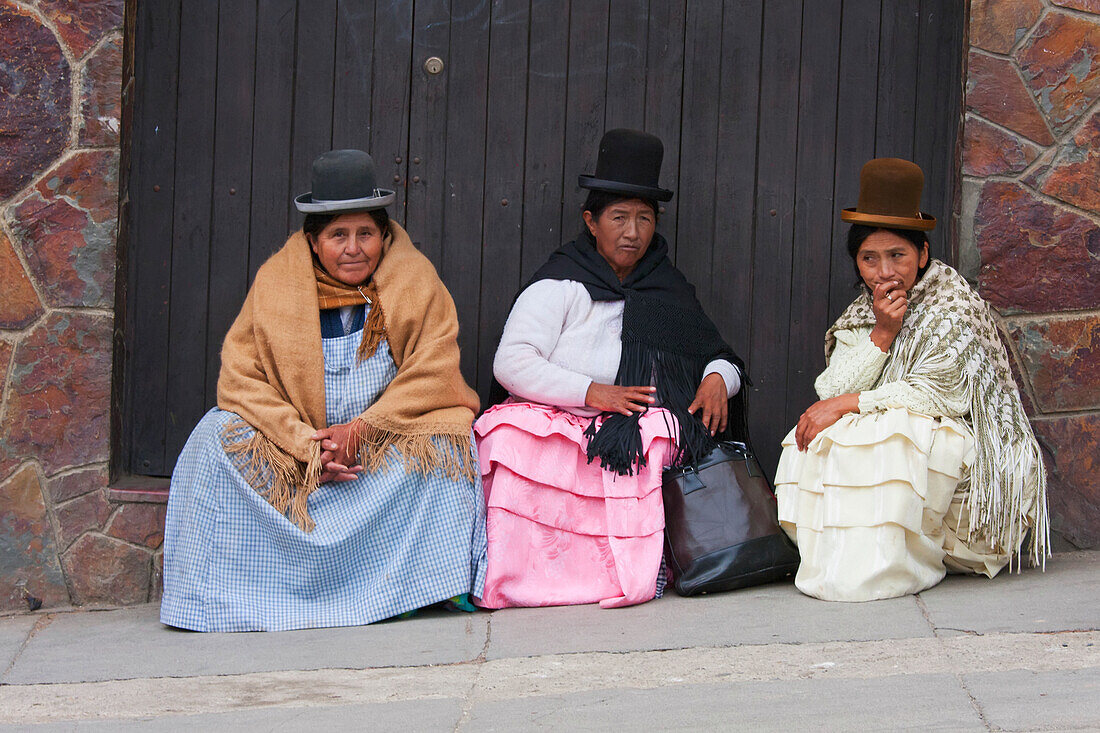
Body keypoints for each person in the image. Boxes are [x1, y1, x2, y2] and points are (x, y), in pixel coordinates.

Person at [161, 150, 487, 631]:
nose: (354, 248)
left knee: (448, 438)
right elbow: (239, 378)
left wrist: (361, 430)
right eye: (338, 235)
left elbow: (434, 369)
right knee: (213, 438)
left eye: (366, 234)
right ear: (314, 242)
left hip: (377, 446)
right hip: (299, 447)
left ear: (384, 235)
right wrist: (305, 445)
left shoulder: (416, 280)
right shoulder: (277, 283)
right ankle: (219, 599)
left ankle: (415, 587)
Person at [475, 129, 745, 609]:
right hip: (561, 413)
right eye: (618, 217)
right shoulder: (560, 282)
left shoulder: (667, 287)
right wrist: (591, 392)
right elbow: (510, 363)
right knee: (509, 437)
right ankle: (526, 579)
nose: (633, 232)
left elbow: (718, 353)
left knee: (656, 440)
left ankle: (625, 577)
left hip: (638, 422)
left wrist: (717, 378)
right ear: (591, 221)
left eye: (644, 218)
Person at [774, 158, 1048, 602]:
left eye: (897, 255)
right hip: (914, 451)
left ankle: (897, 564)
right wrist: (882, 333)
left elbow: (941, 392)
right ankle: (854, 564)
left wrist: (851, 404)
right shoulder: (864, 314)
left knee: (900, 428)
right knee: (815, 434)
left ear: (922, 255)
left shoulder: (952, 305)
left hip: (970, 472)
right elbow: (830, 389)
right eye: (869, 258)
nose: (884, 272)